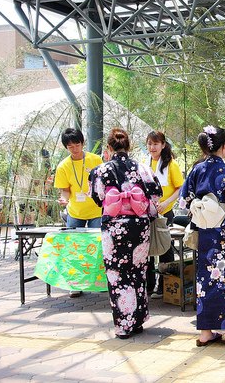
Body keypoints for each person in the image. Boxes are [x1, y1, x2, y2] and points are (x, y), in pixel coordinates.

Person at [88, 128, 162, 339]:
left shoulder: (100, 170)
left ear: (109, 148)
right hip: (139, 226)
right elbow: (156, 192)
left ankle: (123, 325)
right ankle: (137, 321)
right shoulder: (142, 168)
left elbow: (97, 197)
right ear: (129, 147)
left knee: (118, 275)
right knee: (138, 271)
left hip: (114, 227)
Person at [179, 125, 225, 347]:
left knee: (207, 280)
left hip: (207, 235)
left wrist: (202, 211)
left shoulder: (196, 170)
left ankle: (206, 332)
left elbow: (184, 203)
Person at [54, 128, 103, 298]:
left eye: (77, 144)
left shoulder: (95, 160)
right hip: (75, 212)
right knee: (74, 248)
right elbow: (65, 190)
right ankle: (75, 284)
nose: (75, 149)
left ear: (83, 143)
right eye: (70, 146)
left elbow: (102, 183)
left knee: (97, 247)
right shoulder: (63, 166)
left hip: (96, 211)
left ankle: (99, 281)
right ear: (66, 147)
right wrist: (64, 199)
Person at [144, 131, 184, 299]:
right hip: (146, 213)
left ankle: (164, 286)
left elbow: (180, 187)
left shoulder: (171, 164)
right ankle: (149, 285)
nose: (152, 147)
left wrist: (167, 202)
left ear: (163, 145)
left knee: (165, 249)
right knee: (146, 249)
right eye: (149, 144)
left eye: (155, 144)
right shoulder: (143, 164)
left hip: (165, 213)